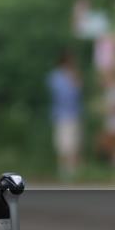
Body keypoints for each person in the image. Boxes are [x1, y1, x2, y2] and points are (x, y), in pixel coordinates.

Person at [46, 50, 82, 180]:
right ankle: (63, 171)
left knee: (74, 144)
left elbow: (78, 93)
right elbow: (60, 95)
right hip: (61, 114)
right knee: (63, 144)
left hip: (74, 113)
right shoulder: (56, 77)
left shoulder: (73, 75)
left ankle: (72, 171)